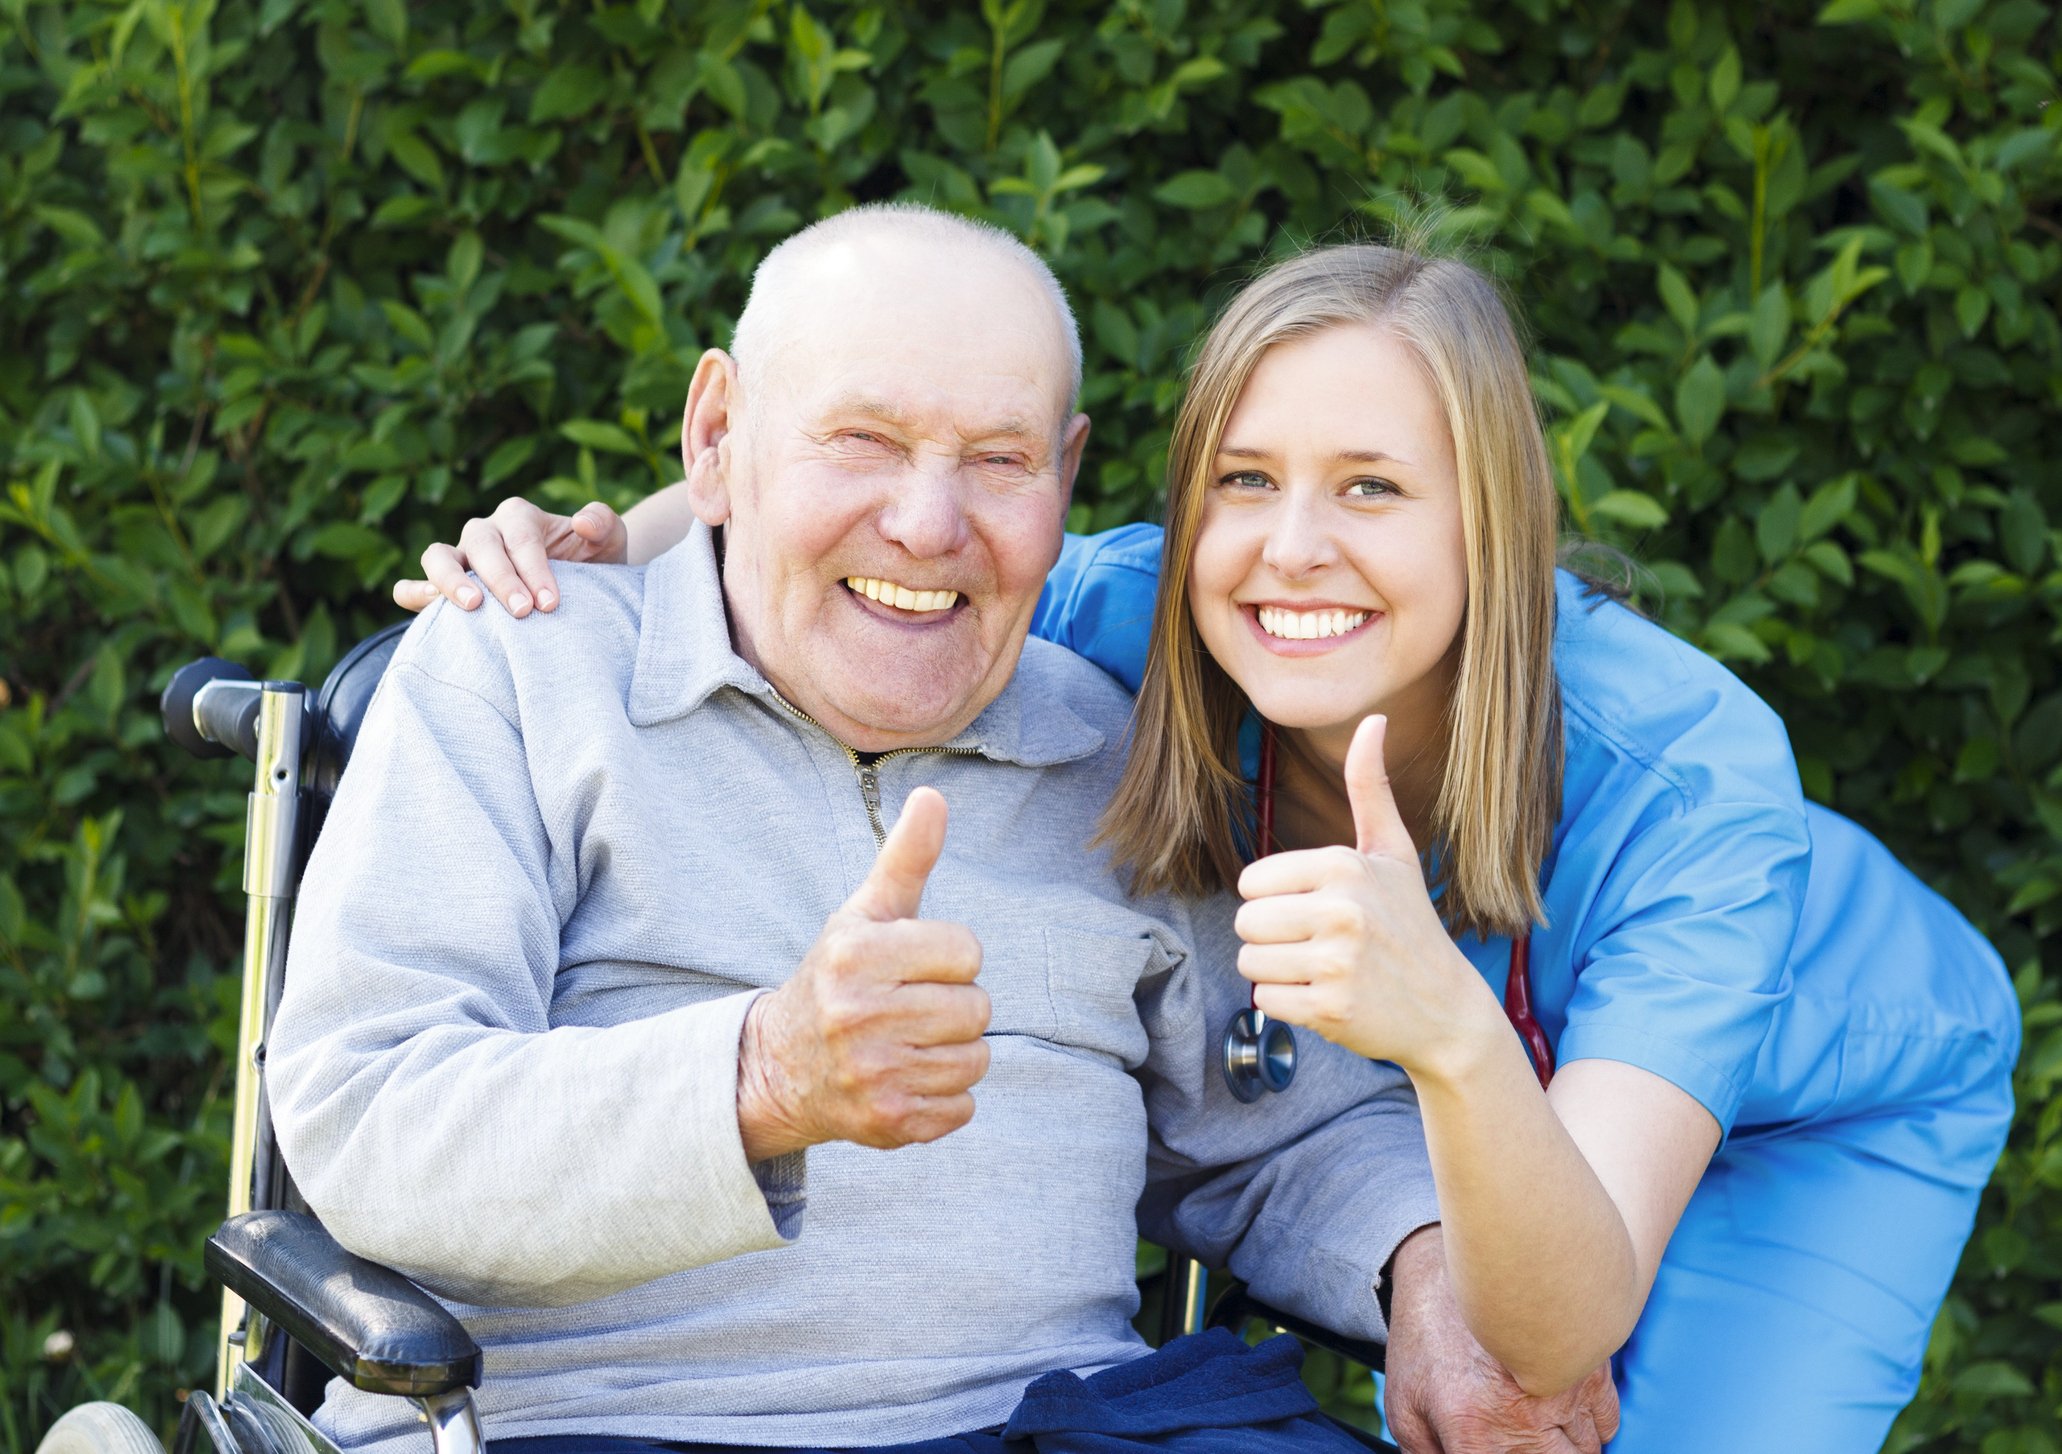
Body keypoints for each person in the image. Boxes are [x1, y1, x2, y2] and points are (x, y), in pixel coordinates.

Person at [416, 239, 2020, 1453]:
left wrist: (1455, 1046)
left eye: (1374, 489)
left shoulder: (1688, 778)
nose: (1291, 545)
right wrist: (588, 541)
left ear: (1495, 526)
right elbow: (860, 514)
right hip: (1447, 1056)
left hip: (1811, 1085)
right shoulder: (1142, 605)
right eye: (1243, 481)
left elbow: (1563, 1314)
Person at [274, 203, 1601, 1454]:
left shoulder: (1109, 746)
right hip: (613, 1417)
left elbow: (1279, 1129)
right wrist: (759, 1078)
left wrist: (1420, 1266)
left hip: (1059, 1420)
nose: (926, 522)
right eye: (861, 440)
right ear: (717, 434)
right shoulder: (517, 675)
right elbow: (365, 1106)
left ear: (1065, 476)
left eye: (998, 459)